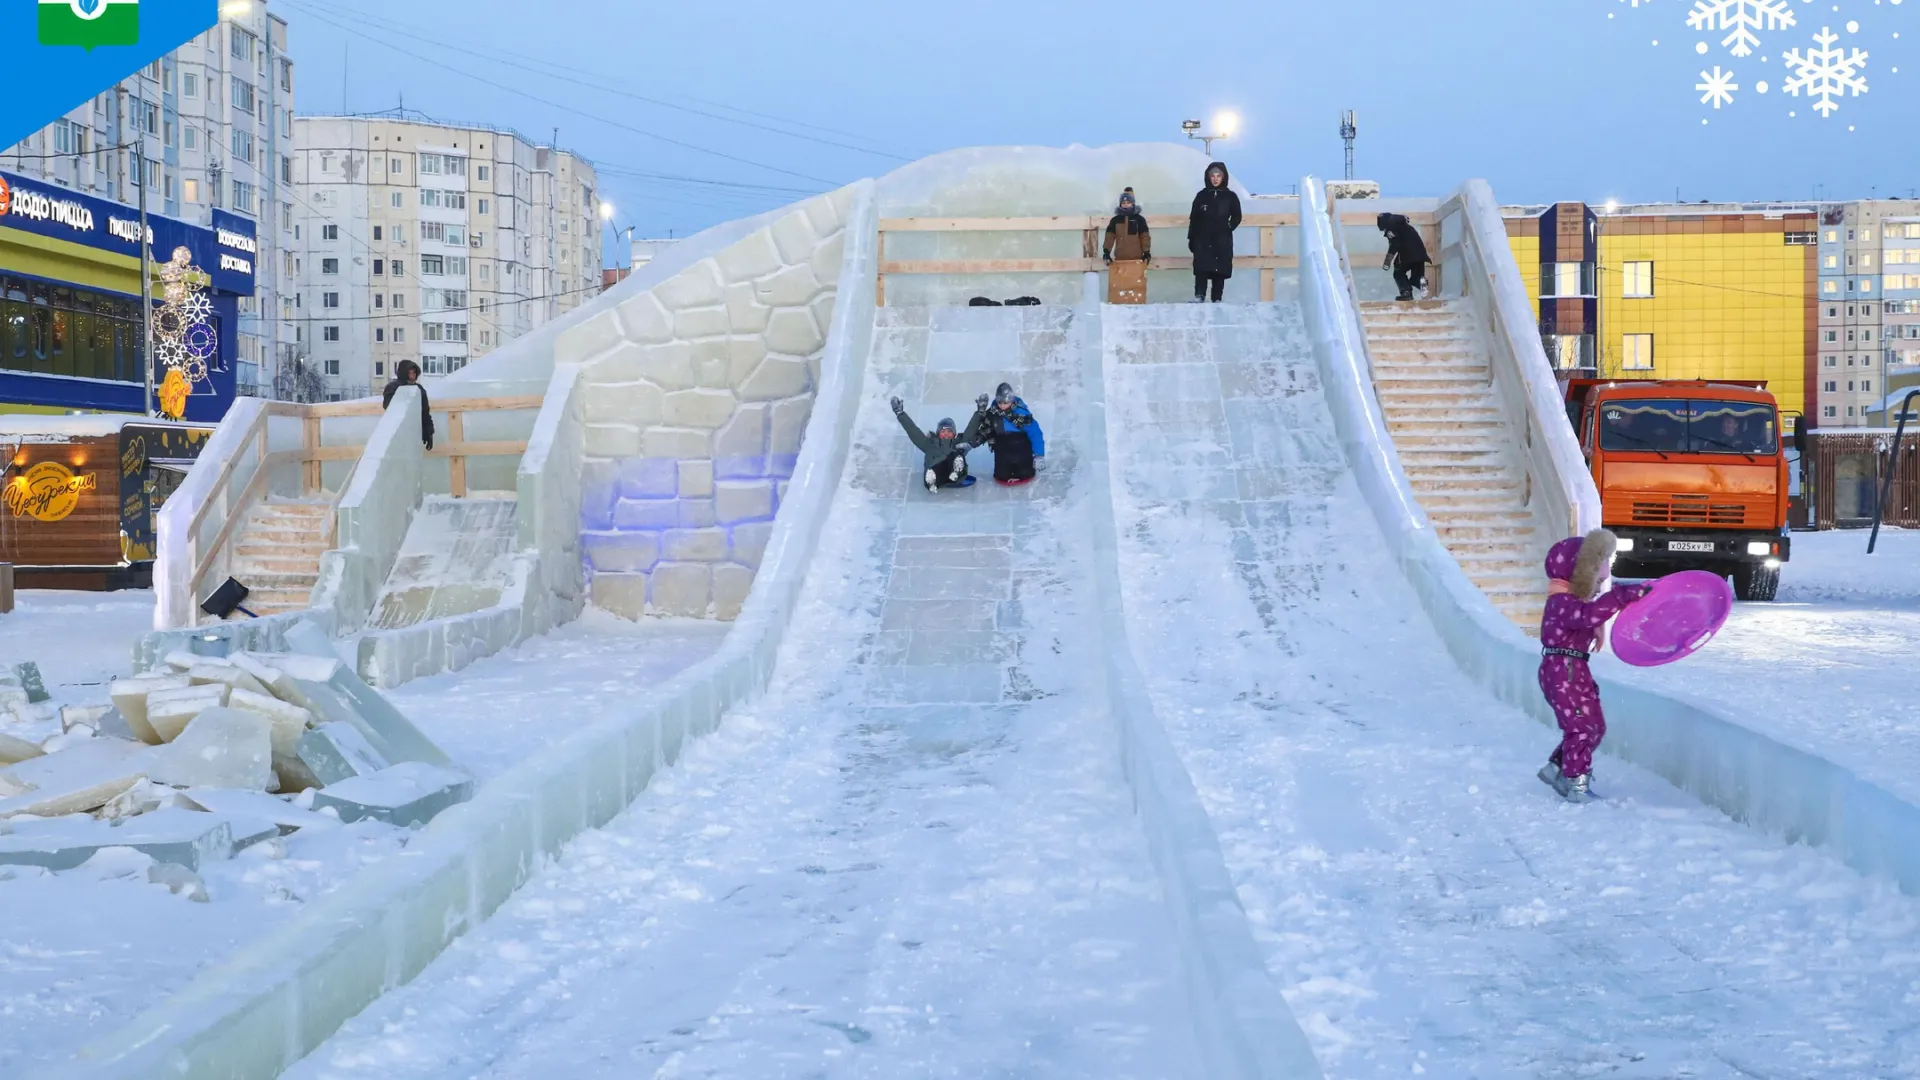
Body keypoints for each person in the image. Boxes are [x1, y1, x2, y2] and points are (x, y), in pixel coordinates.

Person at [1536, 529, 1654, 802]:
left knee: (1594, 727)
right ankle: (1576, 783)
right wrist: (1620, 597)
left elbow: (1590, 613)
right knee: (1580, 727)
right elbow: (1586, 617)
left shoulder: (1573, 600)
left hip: (1574, 669)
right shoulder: (1562, 602)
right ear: (1581, 569)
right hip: (1561, 670)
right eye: (1601, 563)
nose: (1605, 570)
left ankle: (1557, 769)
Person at [967, 383, 1047, 483]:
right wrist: (970, 444)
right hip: (1003, 448)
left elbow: (1035, 433)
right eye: (1000, 403)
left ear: (1011, 400)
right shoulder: (993, 413)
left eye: (1005, 403)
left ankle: (1024, 470)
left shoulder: (1021, 414)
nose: (1002, 406)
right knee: (1002, 474)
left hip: (1021, 447)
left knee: (1024, 472)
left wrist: (1039, 454)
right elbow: (985, 430)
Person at [890, 397, 973, 492]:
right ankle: (932, 481)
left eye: (949, 431)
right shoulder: (929, 444)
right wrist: (901, 414)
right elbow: (913, 431)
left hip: (955, 473)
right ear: (938, 433)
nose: (946, 433)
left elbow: (970, 432)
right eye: (943, 431)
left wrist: (979, 413)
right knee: (935, 467)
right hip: (937, 473)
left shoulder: (957, 442)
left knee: (957, 455)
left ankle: (956, 471)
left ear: (954, 434)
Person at [1187, 162, 1241, 304]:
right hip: (1202, 239)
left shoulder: (1230, 196)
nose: (1215, 179)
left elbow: (1237, 216)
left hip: (1222, 240)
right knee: (1201, 268)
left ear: (1223, 177)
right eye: (1213, 176)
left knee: (1219, 269)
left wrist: (1228, 227)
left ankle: (1217, 299)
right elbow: (1194, 218)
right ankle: (1199, 296)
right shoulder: (1201, 196)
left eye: (1218, 176)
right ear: (1208, 177)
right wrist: (1191, 238)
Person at [1102, 189, 1151, 305]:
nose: (1125, 205)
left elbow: (1145, 236)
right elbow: (1109, 237)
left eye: (1128, 203)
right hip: (1120, 258)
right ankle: (1119, 303)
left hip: (1136, 258)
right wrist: (1106, 252)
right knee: (1121, 284)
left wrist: (1146, 252)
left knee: (1135, 284)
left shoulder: (1139, 220)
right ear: (1120, 204)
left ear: (1132, 203)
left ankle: (1137, 303)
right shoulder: (1115, 221)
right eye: (1123, 203)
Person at [381, 359, 435, 450]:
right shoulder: (393, 387)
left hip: (414, 433)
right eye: (410, 372)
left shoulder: (419, 389)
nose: (412, 375)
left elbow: (425, 412)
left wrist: (429, 432)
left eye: (414, 372)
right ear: (404, 373)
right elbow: (388, 407)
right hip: (396, 433)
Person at [1377, 212, 1431, 302]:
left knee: (1398, 273)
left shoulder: (1391, 229)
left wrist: (1388, 260)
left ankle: (1406, 293)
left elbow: (1395, 244)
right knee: (1416, 277)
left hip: (1407, 254)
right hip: (1420, 254)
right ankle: (1421, 281)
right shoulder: (1405, 226)